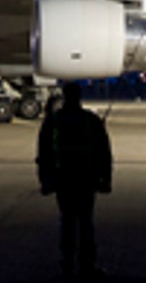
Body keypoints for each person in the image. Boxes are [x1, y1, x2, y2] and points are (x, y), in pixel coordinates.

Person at [36, 82, 112, 278]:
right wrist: (106, 179)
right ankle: (86, 266)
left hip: (63, 180)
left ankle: (67, 264)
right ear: (79, 97)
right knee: (86, 224)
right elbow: (104, 152)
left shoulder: (53, 121)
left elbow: (44, 153)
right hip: (86, 179)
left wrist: (45, 179)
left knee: (67, 223)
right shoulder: (90, 120)